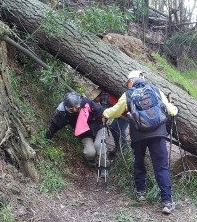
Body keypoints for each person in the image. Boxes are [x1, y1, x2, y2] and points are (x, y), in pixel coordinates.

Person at [102, 70, 178, 214]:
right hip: (158, 133)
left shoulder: (128, 94)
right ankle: (167, 202)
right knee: (161, 166)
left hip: (138, 134)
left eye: (128, 82)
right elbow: (170, 110)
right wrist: (175, 109)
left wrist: (105, 114)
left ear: (131, 81)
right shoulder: (155, 89)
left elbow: (116, 112)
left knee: (139, 162)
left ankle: (141, 192)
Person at [45, 92, 109, 177]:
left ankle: (104, 167)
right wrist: (49, 134)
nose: (75, 110)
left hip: (98, 127)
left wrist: (102, 117)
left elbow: (100, 110)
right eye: (72, 108)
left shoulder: (85, 102)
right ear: (68, 107)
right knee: (90, 152)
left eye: (77, 107)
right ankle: (92, 160)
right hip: (85, 133)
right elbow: (57, 124)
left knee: (99, 145)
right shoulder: (64, 112)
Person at [85, 85, 129, 161]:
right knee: (114, 128)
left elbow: (111, 112)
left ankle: (122, 150)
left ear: (98, 95)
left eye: (95, 99)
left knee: (117, 129)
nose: (95, 101)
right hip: (120, 111)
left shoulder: (107, 98)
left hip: (126, 114)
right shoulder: (104, 97)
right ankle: (119, 148)